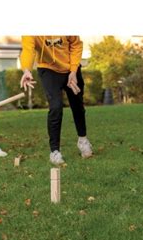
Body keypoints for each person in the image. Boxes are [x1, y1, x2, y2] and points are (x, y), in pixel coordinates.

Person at [19, 36, 93, 165]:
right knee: (56, 107)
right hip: (48, 69)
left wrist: (74, 70)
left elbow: (76, 44)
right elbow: (28, 49)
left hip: (71, 68)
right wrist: (26, 69)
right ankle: (55, 151)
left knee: (77, 106)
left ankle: (83, 140)